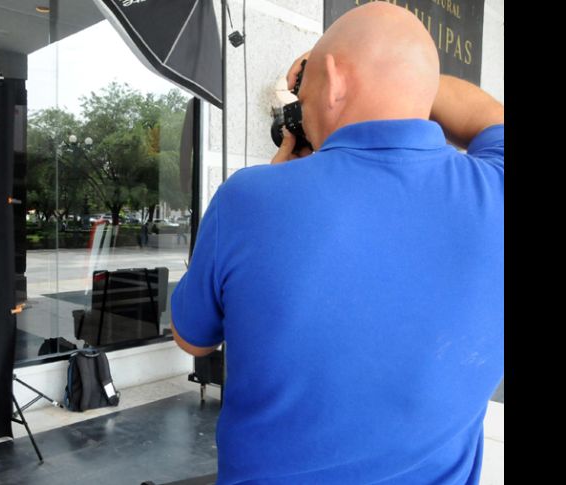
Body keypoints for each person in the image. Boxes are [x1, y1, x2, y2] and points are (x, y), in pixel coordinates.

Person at [170, 3, 503, 484]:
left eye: (301, 93)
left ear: (333, 77)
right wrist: (390, 77)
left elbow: (191, 338)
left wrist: (274, 184)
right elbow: (490, 116)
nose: (300, 107)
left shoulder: (247, 199)